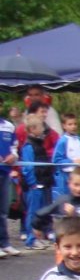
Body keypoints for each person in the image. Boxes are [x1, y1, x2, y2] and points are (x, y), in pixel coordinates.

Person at [33, 167, 80, 242]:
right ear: (69, 183)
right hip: (65, 243)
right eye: (76, 185)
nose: (79, 189)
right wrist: (36, 226)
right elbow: (42, 213)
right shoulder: (62, 201)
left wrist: (75, 216)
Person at [21, 116, 54, 250]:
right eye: (40, 126)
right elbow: (27, 168)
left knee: (41, 212)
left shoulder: (39, 144)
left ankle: (38, 237)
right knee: (32, 213)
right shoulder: (29, 146)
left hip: (43, 183)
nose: (43, 129)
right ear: (33, 129)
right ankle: (31, 239)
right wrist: (33, 183)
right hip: (34, 186)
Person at [51, 113, 80, 200]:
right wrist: (73, 162)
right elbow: (57, 160)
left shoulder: (79, 140)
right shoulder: (62, 141)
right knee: (68, 200)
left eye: (75, 124)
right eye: (70, 124)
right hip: (67, 176)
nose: (73, 126)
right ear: (64, 126)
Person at [0, 97, 20, 259]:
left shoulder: (8, 126)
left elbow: (15, 146)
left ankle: (5, 243)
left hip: (5, 172)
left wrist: (14, 155)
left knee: (3, 210)